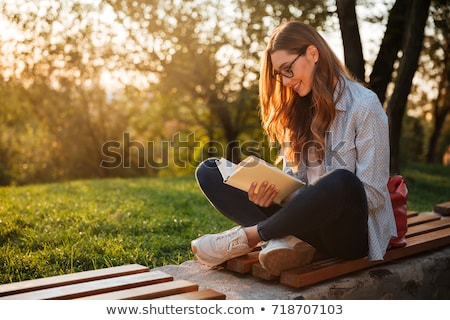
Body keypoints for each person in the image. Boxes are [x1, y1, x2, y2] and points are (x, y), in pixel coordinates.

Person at [191, 21, 397, 276]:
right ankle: (288, 240)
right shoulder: (298, 110)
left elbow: (373, 195)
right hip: (303, 223)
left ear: (313, 54)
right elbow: (295, 181)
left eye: (288, 69)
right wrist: (272, 191)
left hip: (348, 235)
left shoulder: (364, 106)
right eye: (280, 74)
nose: (286, 81)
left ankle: (250, 237)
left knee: (343, 182)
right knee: (211, 171)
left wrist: (315, 198)